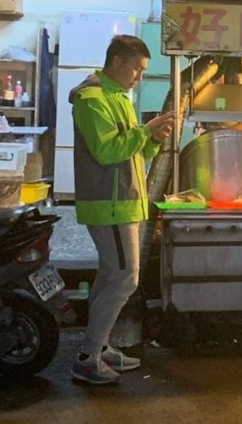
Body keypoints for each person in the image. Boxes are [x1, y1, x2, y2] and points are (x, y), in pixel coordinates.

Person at [69, 35, 176, 385]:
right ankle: (88, 358)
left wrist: (151, 141)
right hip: (108, 205)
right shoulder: (91, 99)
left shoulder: (120, 99)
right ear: (117, 61)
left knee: (109, 277)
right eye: (137, 68)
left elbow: (131, 154)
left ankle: (99, 347)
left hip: (125, 202)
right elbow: (106, 152)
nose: (139, 77)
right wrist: (144, 131)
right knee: (125, 278)